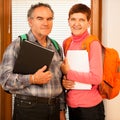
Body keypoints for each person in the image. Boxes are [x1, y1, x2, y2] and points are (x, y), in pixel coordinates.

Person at [0, 2, 66, 120]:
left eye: (49, 19)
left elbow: (59, 82)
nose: (46, 23)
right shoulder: (17, 45)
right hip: (28, 109)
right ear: (30, 22)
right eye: (40, 18)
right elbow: (5, 81)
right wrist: (32, 79)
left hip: (55, 109)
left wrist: (61, 110)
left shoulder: (56, 47)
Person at [61, 3, 105, 120]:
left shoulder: (93, 43)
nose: (76, 24)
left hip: (90, 108)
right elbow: (67, 72)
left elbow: (96, 78)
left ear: (88, 22)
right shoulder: (66, 43)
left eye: (81, 20)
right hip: (72, 104)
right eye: (73, 19)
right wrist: (65, 81)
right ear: (68, 21)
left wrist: (69, 73)